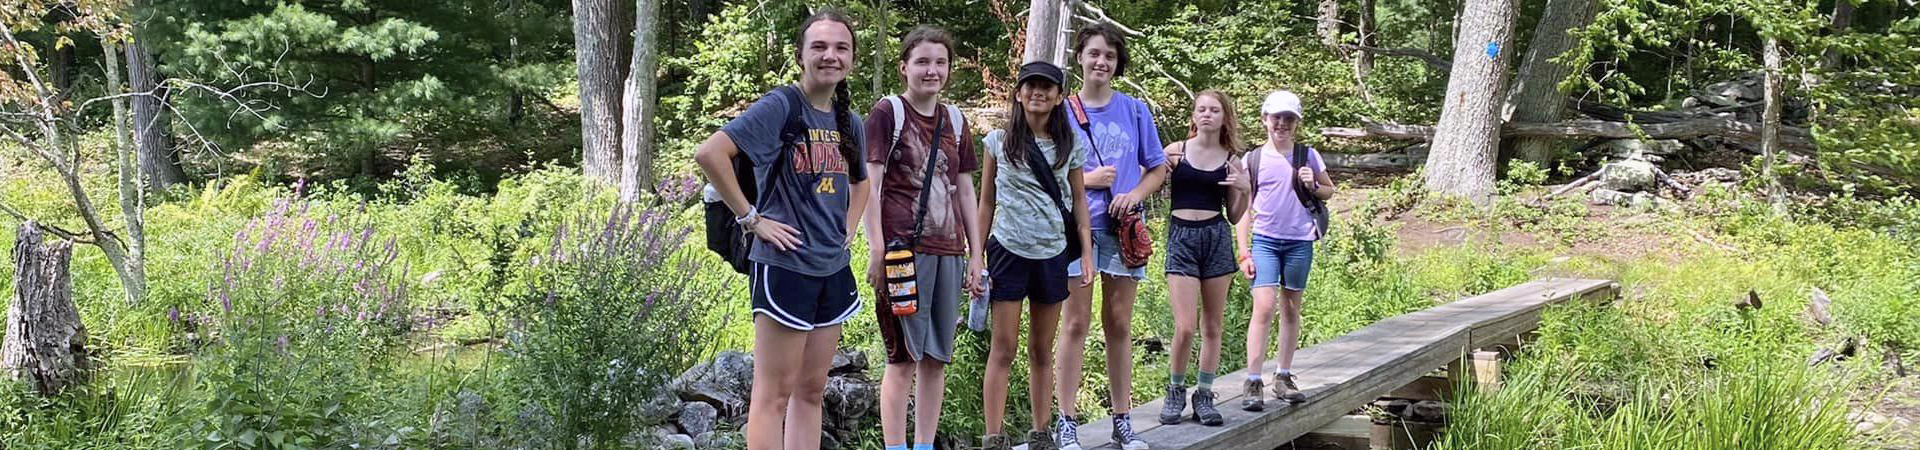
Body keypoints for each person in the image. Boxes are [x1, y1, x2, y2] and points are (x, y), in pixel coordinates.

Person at [692, 9, 870, 450]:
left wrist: (847, 233)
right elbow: (710, 154)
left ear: (852, 58)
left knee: (811, 392)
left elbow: (861, 182)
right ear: (801, 55)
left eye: (841, 47)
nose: (830, 55)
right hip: (784, 266)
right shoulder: (781, 106)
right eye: (820, 47)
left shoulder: (851, 122)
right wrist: (751, 218)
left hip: (832, 268)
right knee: (773, 395)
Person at [861, 26, 980, 450]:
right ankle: (896, 447)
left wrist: (976, 255)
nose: (932, 70)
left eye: (940, 62)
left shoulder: (956, 120)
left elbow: (965, 190)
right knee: (902, 357)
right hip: (901, 255)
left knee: (935, 359)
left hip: (948, 251)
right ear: (904, 67)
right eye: (923, 61)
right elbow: (869, 187)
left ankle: (925, 444)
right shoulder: (887, 114)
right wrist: (875, 248)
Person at [1052, 22, 1167, 450]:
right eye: (1094, 53)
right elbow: (1044, 172)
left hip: (1122, 232)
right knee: (1075, 324)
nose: (1101, 61)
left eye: (1110, 56)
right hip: (1076, 232)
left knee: (1119, 325)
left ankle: (1123, 421)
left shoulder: (1134, 110)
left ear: (1117, 64)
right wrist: (1087, 179)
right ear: (1080, 56)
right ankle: (1066, 422)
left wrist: (1134, 194)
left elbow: (1157, 167)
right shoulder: (1060, 111)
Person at [976, 61, 1094, 450]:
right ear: (1018, 93)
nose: (1037, 93)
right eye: (1030, 86)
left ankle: (1042, 432)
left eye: (1047, 87)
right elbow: (986, 202)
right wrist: (976, 256)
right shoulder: (997, 141)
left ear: (1060, 97)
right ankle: (994, 436)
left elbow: (1079, 199)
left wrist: (1088, 253)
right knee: (1003, 346)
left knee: (1042, 347)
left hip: (1052, 253)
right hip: (1008, 249)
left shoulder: (1068, 144)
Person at [1155, 90, 1250, 427]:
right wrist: (1158, 169)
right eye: (1202, 109)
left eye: (1214, 110)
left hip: (1216, 237)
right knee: (1184, 327)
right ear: (1193, 116)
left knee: (1212, 326)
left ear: (1224, 117)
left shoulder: (1231, 159)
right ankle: (1175, 389)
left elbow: (1236, 215)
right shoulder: (1176, 151)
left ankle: (1205, 394)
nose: (1207, 114)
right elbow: (1149, 181)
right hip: (1181, 236)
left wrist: (1244, 188)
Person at [1236, 90, 1336, 412]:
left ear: (1297, 123)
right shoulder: (1251, 159)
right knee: (1263, 307)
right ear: (1265, 119)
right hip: (1265, 240)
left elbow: (1328, 190)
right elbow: (1243, 209)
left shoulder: (1307, 155)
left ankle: (1283, 376)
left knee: (1291, 307)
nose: (1282, 124)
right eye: (1276, 117)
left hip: (1299, 240)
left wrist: (1313, 184)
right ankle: (1253, 379)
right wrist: (1243, 250)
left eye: (1289, 119)